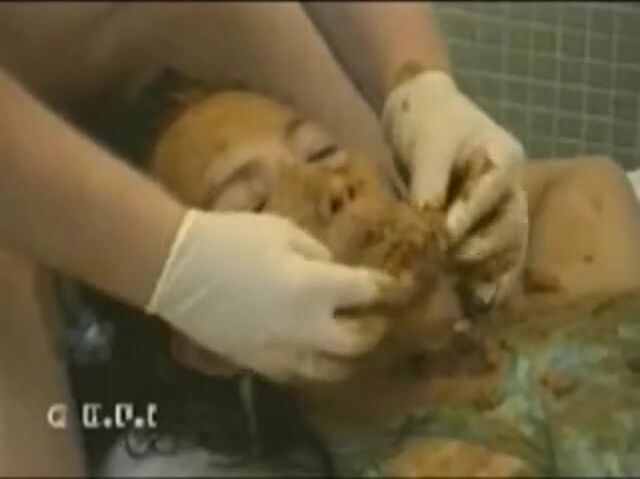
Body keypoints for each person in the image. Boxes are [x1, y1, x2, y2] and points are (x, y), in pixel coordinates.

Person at [0, 3, 526, 475]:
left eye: (320, 151)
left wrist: (418, 84)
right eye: (250, 204)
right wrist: (177, 264)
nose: (333, 188)